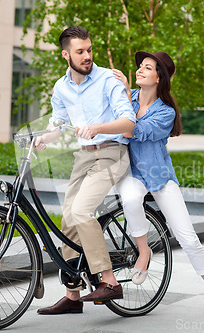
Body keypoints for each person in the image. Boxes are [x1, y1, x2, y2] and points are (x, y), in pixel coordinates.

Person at [112, 51, 204, 317]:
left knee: (189, 239)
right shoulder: (127, 97)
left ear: (159, 78)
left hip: (158, 175)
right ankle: (144, 252)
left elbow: (131, 131)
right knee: (131, 199)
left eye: (148, 68)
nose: (140, 70)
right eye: (140, 66)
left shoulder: (165, 113)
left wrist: (122, 95)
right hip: (129, 172)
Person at [34, 26, 136, 315]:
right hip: (83, 157)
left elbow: (128, 122)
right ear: (66, 54)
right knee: (68, 219)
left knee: (81, 212)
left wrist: (97, 128)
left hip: (111, 153)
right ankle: (73, 295)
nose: (87, 56)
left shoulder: (108, 79)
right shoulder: (61, 86)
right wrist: (43, 138)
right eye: (80, 51)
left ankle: (110, 280)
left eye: (89, 50)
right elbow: (58, 123)